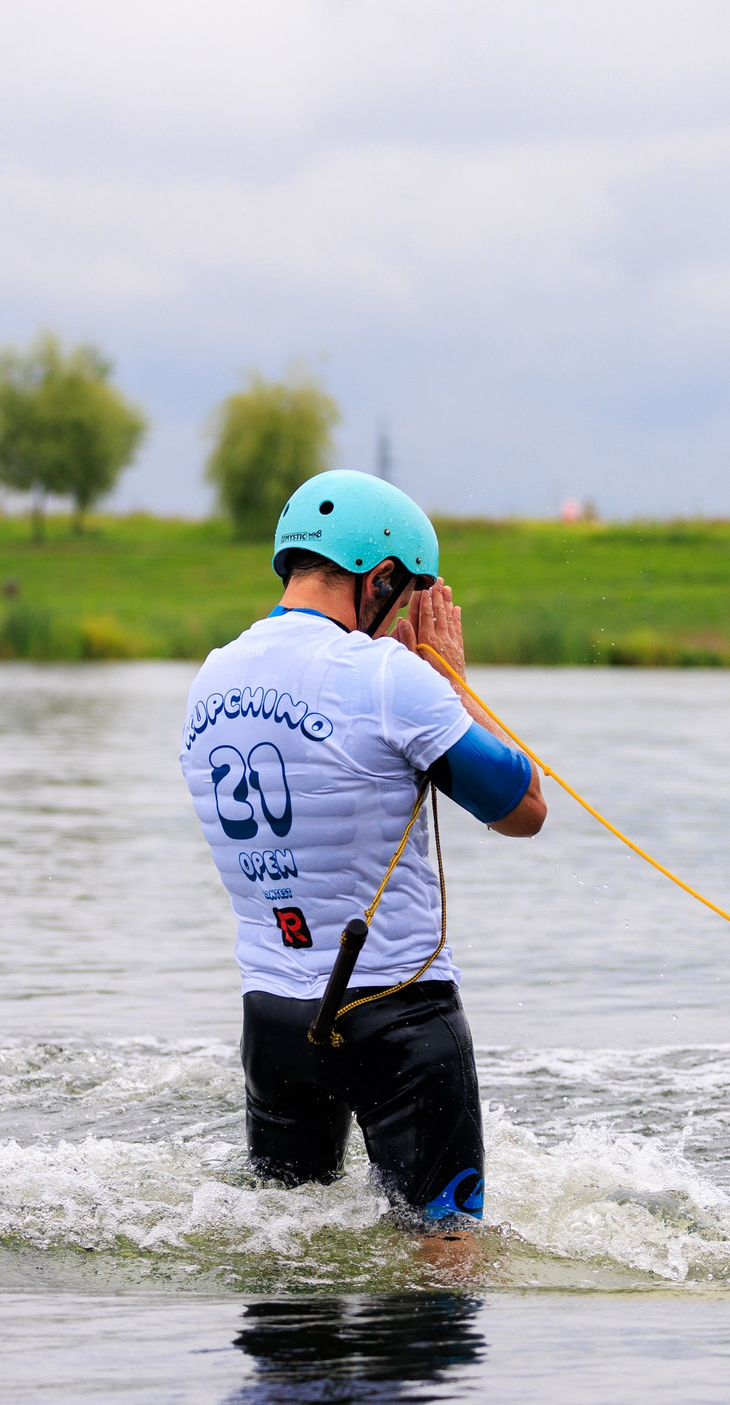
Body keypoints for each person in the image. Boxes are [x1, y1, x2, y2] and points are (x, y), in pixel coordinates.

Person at [179, 470, 545, 1258]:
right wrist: (450, 676)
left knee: (285, 1259)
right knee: (445, 1258)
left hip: (273, 1020)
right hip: (399, 1020)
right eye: (404, 593)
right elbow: (523, 810)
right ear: (379, 579)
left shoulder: (211, 676)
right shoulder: (390, 678)